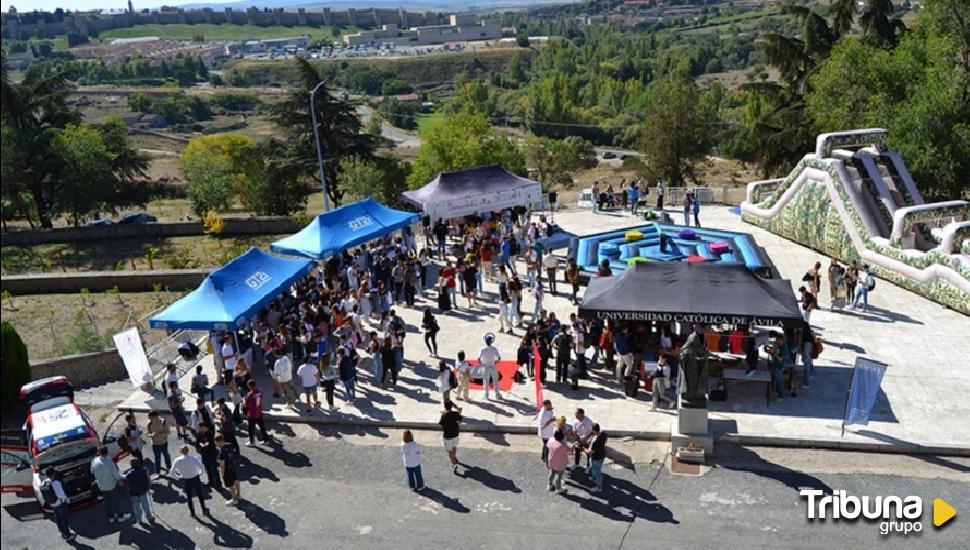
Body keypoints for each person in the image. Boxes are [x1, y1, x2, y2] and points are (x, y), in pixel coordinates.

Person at [90, 445, 130, 523]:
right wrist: (121, 480)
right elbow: (117, 475)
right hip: (112, 486)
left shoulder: (94, 461)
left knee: (108, 503)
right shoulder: (109, 463)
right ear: (107, 452)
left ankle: (111, 517)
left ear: (99, 452)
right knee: (116, 502)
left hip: (101, 486)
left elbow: (92, 471)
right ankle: (120, 516)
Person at [170, 445, 209, 517]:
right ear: (188, 450)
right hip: (195, 477)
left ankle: (192, 512)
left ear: (180, 452)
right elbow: (202, 467)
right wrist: (200, 473)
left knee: (189, 496)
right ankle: (204, 510)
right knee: (200, 494)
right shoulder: (193, 458)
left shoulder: (177, 460)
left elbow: (172, 472)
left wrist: (178, 477)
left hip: (186, 479)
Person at [42, 467, 76, 541]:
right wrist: (66, 499)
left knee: (58, 518)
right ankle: (67, 535)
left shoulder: (44, 482)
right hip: (60, 503)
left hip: (52, 504)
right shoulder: (55, 482)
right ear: (53, 473)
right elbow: (60, 494)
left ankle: (62, 532)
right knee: (64, 519)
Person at [215, 435, 241, 506]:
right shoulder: (230, 444)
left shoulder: (221, 452)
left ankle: (234, 499)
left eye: (216, 443)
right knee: (236, 480)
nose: (215, 444)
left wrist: (222, 473)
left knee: (230, 485)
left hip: (227, 470)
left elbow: (222, 465)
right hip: (233, 467)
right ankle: (238, 494)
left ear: (219, 442)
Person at [195, 421, 221, 490]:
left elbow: (211, 442)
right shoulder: (200, 433)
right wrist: (201, 445)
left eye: (199, 428)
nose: (198, 429)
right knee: (208, 469)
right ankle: (211, 482)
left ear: (204, 427)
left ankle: (218, 484)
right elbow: (198, 442)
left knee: (214, 469)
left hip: (211, 453)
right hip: (204, 454)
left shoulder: (210, 433)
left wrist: (207, 444)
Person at [439, 401, 463, 474]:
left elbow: (441, 424)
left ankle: (453, 463)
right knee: (454, 447)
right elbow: (460, 421)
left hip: (447, 436)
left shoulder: (444, 415)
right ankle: (454, 457)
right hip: (455, 433)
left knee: (449, 450)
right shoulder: (455, 413)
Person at [146, 410, 171, 477]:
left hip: (163, 443)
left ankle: (169, 468)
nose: (150, 419)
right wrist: (151, 435)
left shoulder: (163, 422)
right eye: (150, 418)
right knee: (157, 458)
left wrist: (160, 434)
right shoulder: (149, 424)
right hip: (155, 444)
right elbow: (148, 433)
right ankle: (157, 472)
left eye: (151, 417)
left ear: (156, 416)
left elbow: (168, 432)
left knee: (166, 456)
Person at [243, 380, 268, 446]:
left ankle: (252, 442)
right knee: (262, 427)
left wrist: (243, 400)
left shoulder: (250, 394)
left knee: (251, 429)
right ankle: (266, 440)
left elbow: (246, 405)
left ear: (249, 386)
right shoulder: (260, 391)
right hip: (259, 412)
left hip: (252, 414)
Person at [584, 424, 608, 492]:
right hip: (600, 456)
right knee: (593, 468)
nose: (590, 431)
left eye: (591, 429)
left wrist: (584, 449)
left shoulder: (597, 441)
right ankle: (594, 478)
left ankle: (599, 487)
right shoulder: (603, 434)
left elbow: (590, 452)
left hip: (596, 458)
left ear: (594, 430)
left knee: (597, 472)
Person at [478, 333, 502, 400]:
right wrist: (495, 362)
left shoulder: (482, 349)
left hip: (485, 367)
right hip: (492, 366)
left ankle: (486, 395)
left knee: (486, 381)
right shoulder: (494, 349)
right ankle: (497, 394)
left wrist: (482, 364)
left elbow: (478, 359)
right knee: (495, 381)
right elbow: (499, 358)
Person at [546, 430, 569, 494]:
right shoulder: (563, 446)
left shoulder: (550, 440)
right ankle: (558, 488)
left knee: (552, 472)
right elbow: (569, 452)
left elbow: (547, 448)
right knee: (559, 476)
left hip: (551, 460)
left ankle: (549, 485)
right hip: (560, 462)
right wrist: (573, 446)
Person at [799, 321, 817, 388]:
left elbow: (806, 352)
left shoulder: (806, 339)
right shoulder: (809, 336)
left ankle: (807, 383)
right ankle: (809, 376)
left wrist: (804, 357)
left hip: (807, 353)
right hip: (809, 353)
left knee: (806, 367)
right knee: (809, 365)